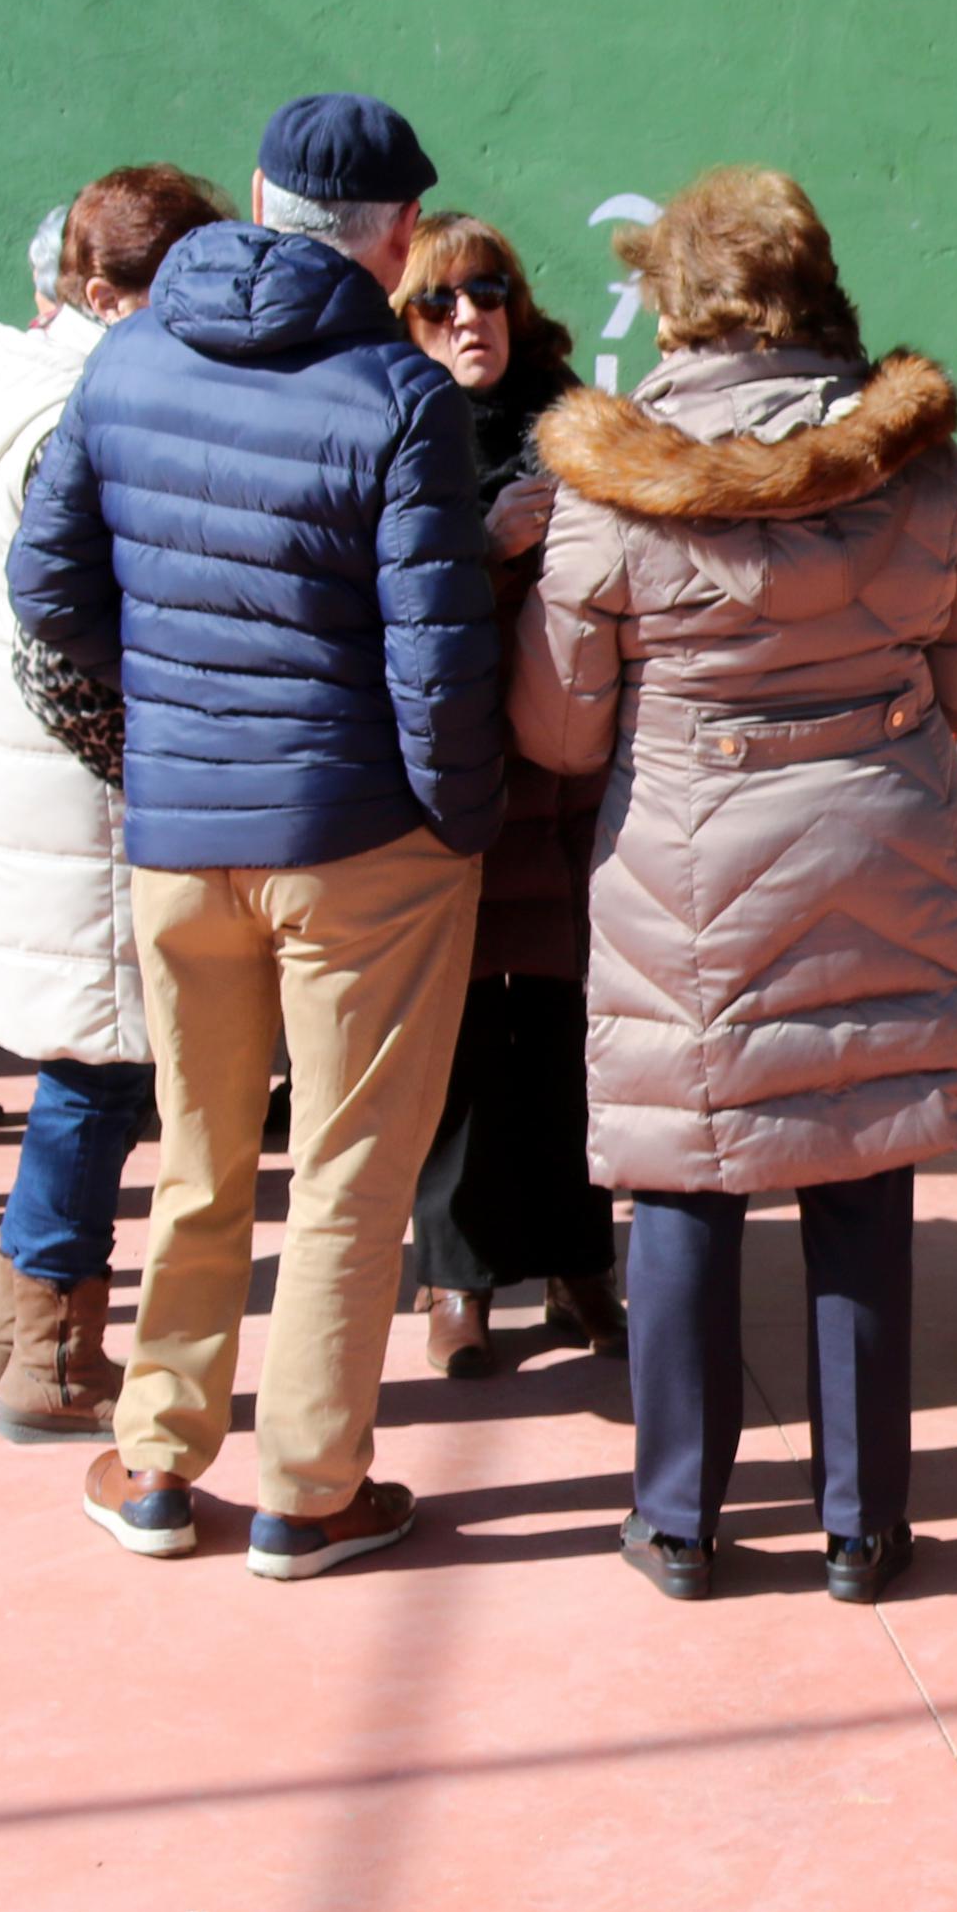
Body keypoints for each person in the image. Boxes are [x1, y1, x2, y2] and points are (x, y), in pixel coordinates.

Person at [514, 166, 957, 1604]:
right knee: (861, 1158)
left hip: (685, 859)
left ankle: (678, 1518)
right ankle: (865, 1528)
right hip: (884, 838)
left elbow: (554, 727)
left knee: (683, 1176)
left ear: (674, 301)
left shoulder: (609, 481)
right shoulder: (920, 468)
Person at [10, 93, 501, 1579]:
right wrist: (454, 819)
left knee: (201, 1157)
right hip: (360, 842)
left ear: (255, 194)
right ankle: (307, 1487)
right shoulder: (399, 395)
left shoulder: (131, 355)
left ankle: (158, 1459)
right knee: (351, 1171)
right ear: (399, 234)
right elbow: (436, 658)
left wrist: (170, 704)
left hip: (179, 831)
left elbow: (49, 590)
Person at [0, 161, 233, 1443]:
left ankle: (16, 1336)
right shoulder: (89, 404)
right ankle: (54, 1356)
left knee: (88, 1067)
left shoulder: (29, 382)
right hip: (93, 791)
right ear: (117, 293)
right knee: (99, 1074)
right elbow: (75, 618)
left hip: (49, 787)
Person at [390, 210, 619, 1375]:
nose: (469, 318)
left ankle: (581, 1265)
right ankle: (457, 1280)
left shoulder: (575, 426)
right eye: (441, 302)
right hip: (455, 782)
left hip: (568, 782)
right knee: (466, 1037)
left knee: (572, 1033)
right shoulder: (395, 427)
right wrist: (479, 549)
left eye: (487, 295)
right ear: (409, 320)